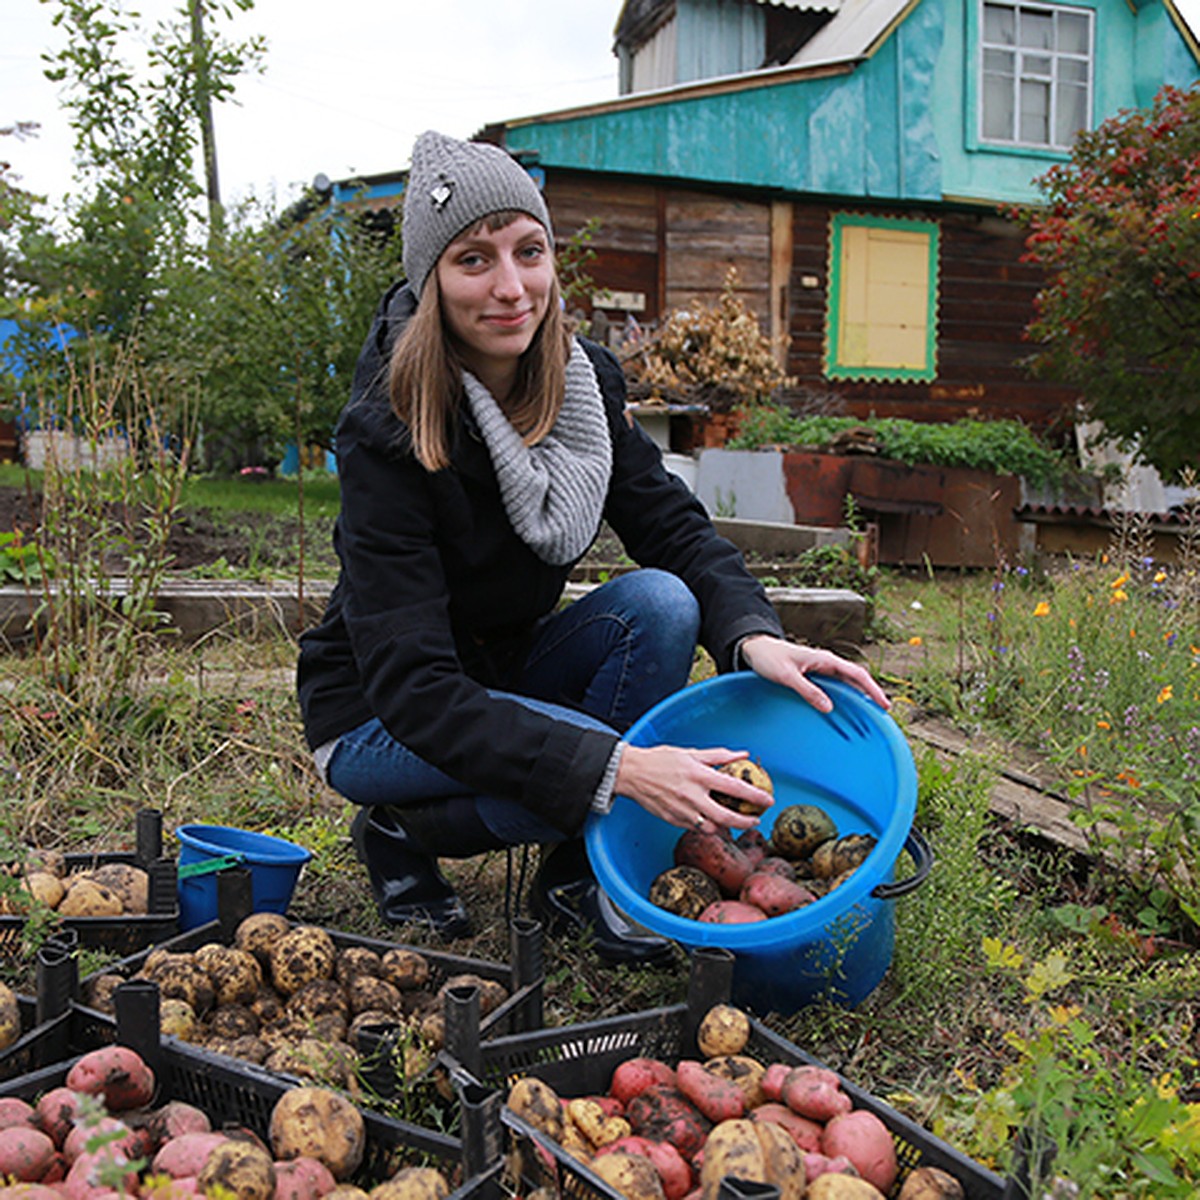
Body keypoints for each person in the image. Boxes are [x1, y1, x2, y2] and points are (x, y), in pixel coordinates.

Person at [297, 130, 890, 965]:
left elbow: (671, 525)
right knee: (601, 780)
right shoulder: (388, 430)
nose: (512, 288)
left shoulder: (582, 387)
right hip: (379, 713)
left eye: (528, 251)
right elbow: (416, 690)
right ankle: (399, 827)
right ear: (431, 282)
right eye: (474, 261)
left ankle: (574, 875)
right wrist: (616, 768)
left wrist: (754, 634)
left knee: (660, 603)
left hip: (499, 673)